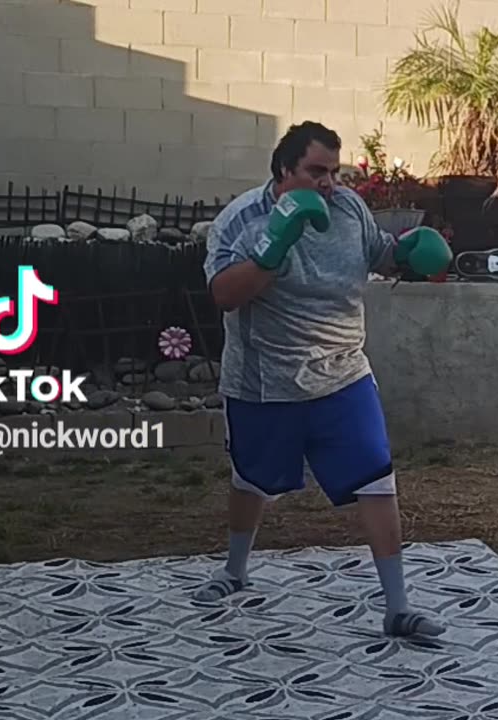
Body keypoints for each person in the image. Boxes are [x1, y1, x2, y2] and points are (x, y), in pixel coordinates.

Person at [193, 121, 452, 639]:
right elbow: (223, 294)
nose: (329, 183)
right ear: (284, 170)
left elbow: (374, 251)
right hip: (266, 379)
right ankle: (235, 570)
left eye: (334, 171)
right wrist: (274, 245)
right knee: (252, 478)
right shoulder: (241, 219)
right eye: (316, 172)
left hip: (343, 372)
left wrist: (406, 252)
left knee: (378, 479)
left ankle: (397, 606)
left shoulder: (348, 208)